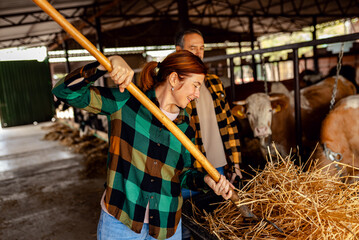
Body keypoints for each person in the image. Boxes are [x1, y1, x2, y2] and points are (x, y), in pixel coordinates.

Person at [52, 50, 233, 240]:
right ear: (173, 79)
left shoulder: (185, 124)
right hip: (121, 221)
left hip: (167, 226)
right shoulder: (126, 103)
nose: (197, 94)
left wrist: (206, 180)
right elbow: (64, 92)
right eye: (195, 85)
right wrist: (105, 65)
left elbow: (183, 173)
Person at [175, 29, 242, 196]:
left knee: (213, 214)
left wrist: (235, 164)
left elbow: (229, 123)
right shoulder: (173, 85)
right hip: (188, 170)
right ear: (178, 51)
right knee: (188, 215)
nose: (199, 53)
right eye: (193, 48)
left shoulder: (214, 82)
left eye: (202, 48)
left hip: (218, 166)